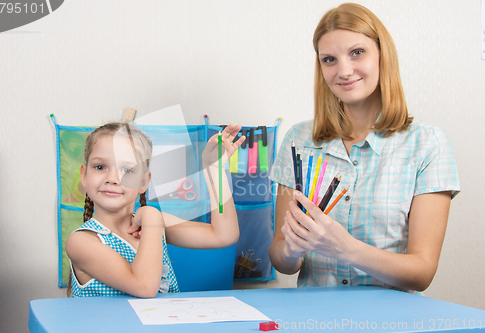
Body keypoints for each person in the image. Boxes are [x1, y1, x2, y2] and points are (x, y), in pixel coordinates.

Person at [268, 3, 460, 293]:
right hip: (313, 318)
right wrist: (292, 250)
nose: (344, 71)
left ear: (383, 55)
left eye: (357, 52)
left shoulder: (428, 145)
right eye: (329, 59)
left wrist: (345, 249)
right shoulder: (298, 140)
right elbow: (280, 259)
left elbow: (422, 272)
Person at [65, 122, 245, 297]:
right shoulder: (81, 242)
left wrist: (214, 170)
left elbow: (224, 235)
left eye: (127, 169)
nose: (112, 178)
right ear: (84, 175)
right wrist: (152, 217)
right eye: (100, 167)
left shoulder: (156, 223)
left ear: (143, 182)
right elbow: (144, 287)